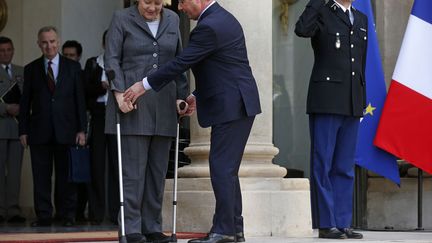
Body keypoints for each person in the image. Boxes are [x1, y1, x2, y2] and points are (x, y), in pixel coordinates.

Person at [124, 1, 262, 243]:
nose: (182, 9)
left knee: (221, 168)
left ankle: (224, 231)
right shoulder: (222, 18)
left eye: (184, 3)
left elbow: (181, 63)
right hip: (236, 101)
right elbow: (222, 67)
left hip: (232, 105)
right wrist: (196, 96)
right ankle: (234, 228)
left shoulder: (209, 26)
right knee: (227, 171)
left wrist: (143, 85)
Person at [104, 0, 188, 242]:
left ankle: (152, 226)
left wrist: (182, 97)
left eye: (157, 3)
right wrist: (119, 94)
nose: (152, 8)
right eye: (146, 2)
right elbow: (111, 60)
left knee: (157, 171)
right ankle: (131, 229)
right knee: (132, 173)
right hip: (131, 103)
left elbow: (179, 62)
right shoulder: (121, 18)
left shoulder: (172, 19)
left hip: (164, 104)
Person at [294, 0, 367, 239]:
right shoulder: (322, 11)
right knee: (322, 163)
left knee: (344, 166)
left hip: (352, 100)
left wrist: (360, 98)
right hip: (326, 99)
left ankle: (343, 222)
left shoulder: (361, 18)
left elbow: (359, 64)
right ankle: (326, 223)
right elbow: (302, 30)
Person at [19, 26, 87, 227]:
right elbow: (25, 103)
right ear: (39, 44)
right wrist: (23, 130)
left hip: (67, 130)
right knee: (41, 177)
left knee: (66, 176)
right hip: (38, 131)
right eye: (44, 42)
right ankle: (44, 216)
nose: (49, 45)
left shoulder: (73, 67)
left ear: (58, 42)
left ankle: (67, 215)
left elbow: (79, 101)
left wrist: (82, 129)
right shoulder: (31, 69)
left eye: (52, 41)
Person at [83, 30, 119, 226]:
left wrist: (113, 85)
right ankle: (96, 213)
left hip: (116, 117)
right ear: (103, 43)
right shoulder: (93, 62)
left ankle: (115, 213)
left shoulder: (121, 62)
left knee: (116, 165)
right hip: (97, 117)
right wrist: (101, 86)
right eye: (108, 41)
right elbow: (84, 89)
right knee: (96, 165)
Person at [61, 39, 89, 223]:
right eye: (66, 55)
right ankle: (66, 213)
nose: (69, 58)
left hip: (83, 130)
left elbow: (82, 102)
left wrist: (83, 129)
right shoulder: (61, 73)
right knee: (67, 174)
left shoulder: (83, 73)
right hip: (65, 130)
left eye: (72, 55)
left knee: (81, 174)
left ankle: (79, 212)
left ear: (78, 57)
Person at [0, 36, 26, 224]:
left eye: (9, 49)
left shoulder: (21, 71)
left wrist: (22, 108)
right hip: (0, 127)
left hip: (17, 128)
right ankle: (0, 210)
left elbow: (30, 96)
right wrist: (5, 108)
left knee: (16, 172)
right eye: (1, 50)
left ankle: (13, 209)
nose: (6, 53)